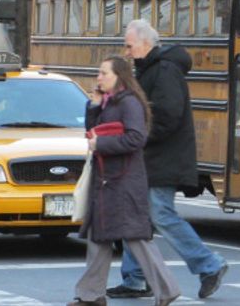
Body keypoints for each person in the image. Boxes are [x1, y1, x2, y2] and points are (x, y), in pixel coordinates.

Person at [106, 19, 228, 300]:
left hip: (162, 158)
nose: (126, 52)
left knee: (159, 213)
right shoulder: (151, 70)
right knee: (137, 214)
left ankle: (209, 264)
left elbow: (166, 116)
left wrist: (137, 136)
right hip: (153, 157)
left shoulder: (163, 71)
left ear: (146, 43)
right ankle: (136, 278)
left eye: (129, 45)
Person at [68, 55, 180, 306]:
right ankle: (91, 294)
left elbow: (136, 138)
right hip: (106, 180)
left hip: (124, 181)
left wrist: (102, 144)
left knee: (135, 236)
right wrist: (94, 106)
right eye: (99, 73)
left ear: (119, 76)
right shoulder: (109, 102)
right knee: (99, 237)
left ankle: (167, 289)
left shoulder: (129, 103)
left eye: (103, 73)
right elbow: (93, 131)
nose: (99, 78)